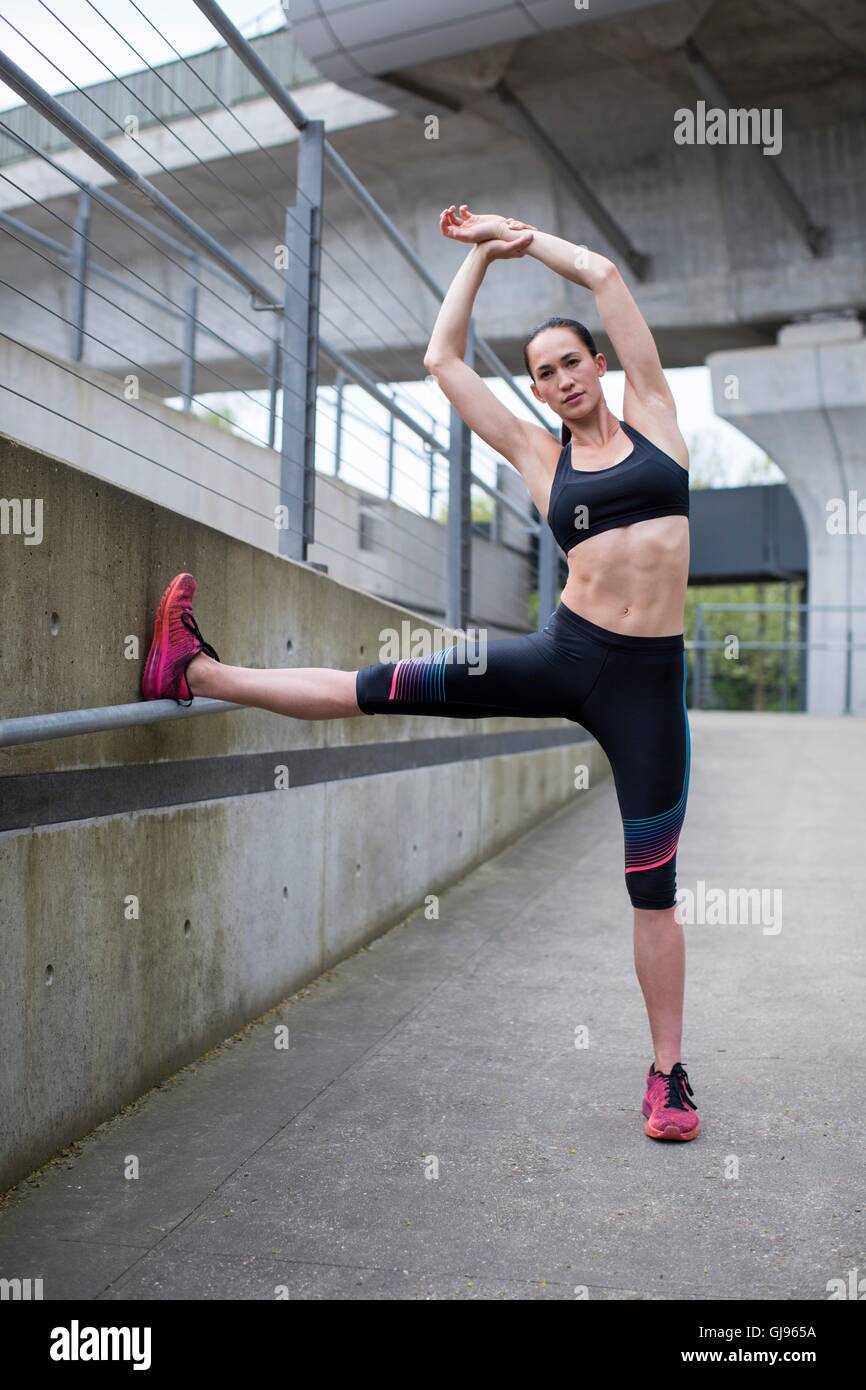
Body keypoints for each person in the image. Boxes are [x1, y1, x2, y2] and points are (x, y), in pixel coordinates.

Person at [141, 205, 699, 1141]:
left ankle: (669, 1074)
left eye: (570, 363)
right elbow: (443, 362)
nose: (560, 382)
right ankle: (195, 671)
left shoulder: (659, 420)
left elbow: (603, 273)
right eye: (542, 375)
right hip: (564, 655)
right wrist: (478, 259)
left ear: (600, 366)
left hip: (648, 687)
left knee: (654, 885)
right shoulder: (539, 456)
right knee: (376, 686)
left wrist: (524, 236)